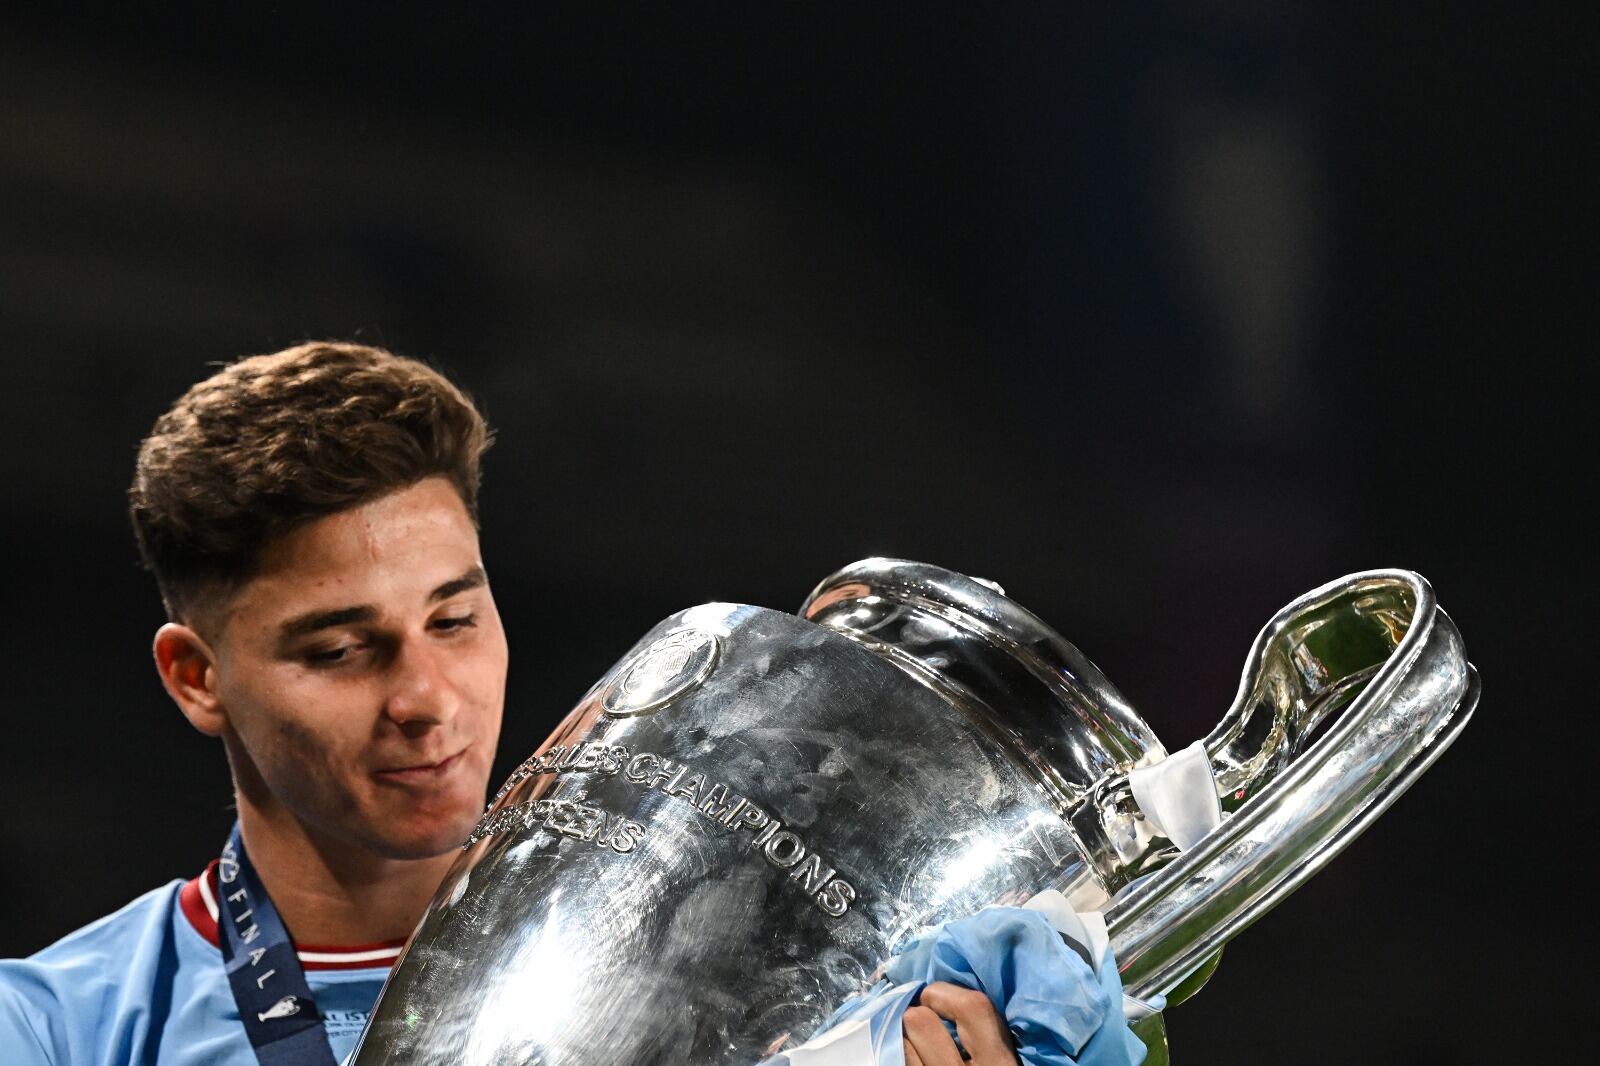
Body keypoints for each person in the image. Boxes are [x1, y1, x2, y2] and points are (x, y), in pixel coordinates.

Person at [0, 342, 1054, 1066]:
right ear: (197, 677)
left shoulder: (795, 984)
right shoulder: (58, 1031)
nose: (423, 697)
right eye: (340, 648)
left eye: (454, 621)